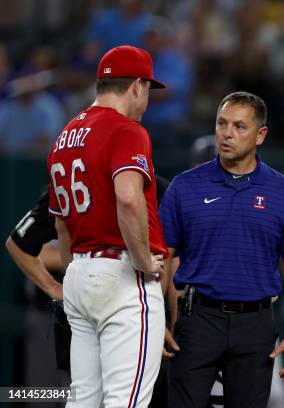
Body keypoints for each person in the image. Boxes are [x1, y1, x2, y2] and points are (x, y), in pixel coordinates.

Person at [159, 91, 284, 408]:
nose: (227, 134)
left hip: (255, 324)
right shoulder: (184, 186)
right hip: (197, 319)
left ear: (261, 135)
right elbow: (162, 257)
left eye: (239, 127)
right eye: (221, 123)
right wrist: (155, 320)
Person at [46, 45, 168, 407]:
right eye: (147, 89)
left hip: (79, 273)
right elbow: (128, 197)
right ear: (137, 87)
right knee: (124, 402)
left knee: (83, 400)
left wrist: (79, 272)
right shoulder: (127, 130)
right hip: (122, 273)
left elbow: (61, 224)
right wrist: (144, 260)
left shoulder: (64, 137)